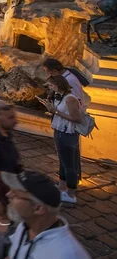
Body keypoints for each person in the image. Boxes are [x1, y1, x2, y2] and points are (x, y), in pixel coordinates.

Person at [0, 170, 97, 259]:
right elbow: (12, 258)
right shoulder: (25, 226)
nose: (8, 194)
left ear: (38, 208)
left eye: (15, 194)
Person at [40, 74, 82, 204]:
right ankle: (62, 186)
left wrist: (56, 111)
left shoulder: (70, 99)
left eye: (52, 85)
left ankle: (71, 193)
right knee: (62, 160)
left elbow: (77, 118)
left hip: (67, 133)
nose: (50, 87)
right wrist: (51, 108)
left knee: (69, 164)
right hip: (59, 131)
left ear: (59, 84)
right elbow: (58, 112)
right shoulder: (59, 97)